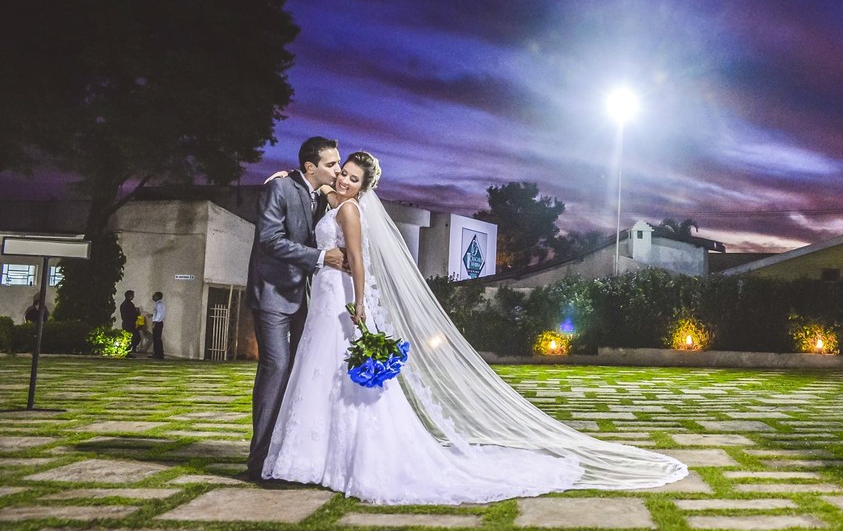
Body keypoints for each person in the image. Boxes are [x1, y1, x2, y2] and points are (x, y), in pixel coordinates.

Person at [262, 151, 687, 504]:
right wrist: (286, 178)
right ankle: (311, 458)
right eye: (342, 175)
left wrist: (358, 303)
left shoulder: (350, 211)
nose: (344, 182)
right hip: (321, 299)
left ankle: (347, 458)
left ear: (363, 188)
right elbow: (309, 198)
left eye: (353, 179)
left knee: (339, 373)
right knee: (320, 371)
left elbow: (358, 261)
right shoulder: (330, 201)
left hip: (340, 298)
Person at [244, 136, 348, 481]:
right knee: (276, 367)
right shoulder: (280, 189)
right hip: (272, 293)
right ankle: (258, 462)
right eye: (332, 164)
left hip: (306, 298)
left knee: (301, 373)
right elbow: (269, 239)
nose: (338, 169)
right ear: (310, 167)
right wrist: (321, 258)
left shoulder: (324, 196)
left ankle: (287, 456)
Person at [119, 290, 139, 357]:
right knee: (136, 337)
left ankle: (129, 350)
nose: (133, 297)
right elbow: (132, 314)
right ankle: (129, 350)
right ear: (129, 296)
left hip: (126, 323)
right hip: (130, 323)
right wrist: (137, 313)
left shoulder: (123, 304)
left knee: (131, 337)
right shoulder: (129, 304)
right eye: (132, 295)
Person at [150, 291, 166, 359]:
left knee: (157, 338)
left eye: (155, 295)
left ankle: (158, 354)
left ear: (157, 296)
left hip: (158, 323)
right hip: (158, 322)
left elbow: (159, 314)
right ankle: (157, 353)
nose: (153, 296)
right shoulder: (158, 304)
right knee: (156, 338)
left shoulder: (159, 304)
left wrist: (155, 322)